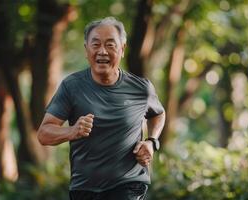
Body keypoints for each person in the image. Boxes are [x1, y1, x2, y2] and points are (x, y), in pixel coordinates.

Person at [37, 16, 165, 200]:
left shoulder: (141, 88)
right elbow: (44, 134)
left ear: (122, 49)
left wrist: (152, 141)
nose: (102, 51)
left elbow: (158, 114)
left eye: (110, 45)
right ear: (86, 50)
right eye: (95, 44)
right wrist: (72, 131)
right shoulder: (71, 86)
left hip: (128, 184)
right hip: (84, 188)